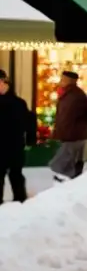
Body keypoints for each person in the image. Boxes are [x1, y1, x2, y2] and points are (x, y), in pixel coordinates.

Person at [0, 69, 35, 204]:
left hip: (14, 146)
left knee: (16, 175)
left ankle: (20, 200)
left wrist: (31, 139)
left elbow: (29, 121)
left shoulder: (18, 103)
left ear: (5, 83)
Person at [49, 71, 87, 181]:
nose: (60, 82)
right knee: (68, 164)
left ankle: (67, 183)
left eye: (62, 79)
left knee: (59, 164)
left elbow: (66, 118)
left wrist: (60, 133)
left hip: (72, 136)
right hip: (73, 135)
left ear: (68, 81)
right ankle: (69, 183)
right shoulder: (71, 94)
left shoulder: (73, 96)